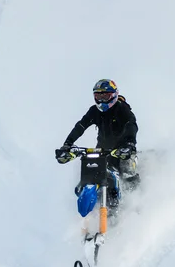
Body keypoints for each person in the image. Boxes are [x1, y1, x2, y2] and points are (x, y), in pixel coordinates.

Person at [55, 79, 139, 207]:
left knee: (128, 176)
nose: (102, 100)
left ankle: (135, 205)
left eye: (105, 96)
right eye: (98, 96)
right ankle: (89, 214)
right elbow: (81, 126)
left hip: (122, 151)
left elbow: (131, 125)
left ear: (114, 95)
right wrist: (68, 144)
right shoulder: (94, 111)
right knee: (90, 175)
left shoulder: (122, 109)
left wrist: (130, 144)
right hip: (102, 151)